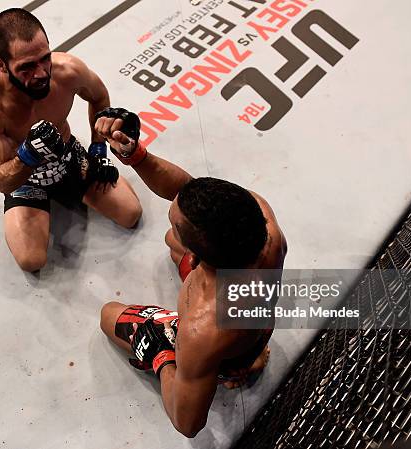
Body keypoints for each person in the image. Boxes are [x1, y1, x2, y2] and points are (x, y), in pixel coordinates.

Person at [97, 107, 288, 438]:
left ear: (199, 259)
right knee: (172, 242)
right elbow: (186, 188)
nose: (171, 217)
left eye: (176, 220)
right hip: (255, 327)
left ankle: (220, 364)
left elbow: (188, 423)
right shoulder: (261, 222)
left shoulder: (202, 327)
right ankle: (249, 356)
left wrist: (161, 355)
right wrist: (137, 156)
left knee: (107, 316)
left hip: (221, 350)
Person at [0, 8, 142, 272]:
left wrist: (97, 149)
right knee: (31, 260)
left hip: (69, 157)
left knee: (130, 213)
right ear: (1, 65)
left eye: (44, 58)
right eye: (25, 67)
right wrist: (28, 155)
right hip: (26, 180)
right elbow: (0, 179)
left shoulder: (68, 71)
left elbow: (99, 98)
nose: (40, 73)